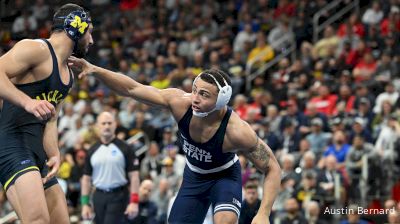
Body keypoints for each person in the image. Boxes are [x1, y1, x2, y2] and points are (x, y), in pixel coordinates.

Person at [68, 57, 282, 224]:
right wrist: (96, 70)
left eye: (205, 95)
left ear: (221, 100)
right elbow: (132, 89)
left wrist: (263, 213)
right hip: (194, 177)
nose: (195, 99)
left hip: (225, 177)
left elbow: (272, 167)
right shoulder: (181, 103)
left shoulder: (237, 131)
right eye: (195, 90)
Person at [0, 3, 93, 223]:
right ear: (76, 27)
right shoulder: (36, 49)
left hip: (37, 152)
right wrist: (27, 102)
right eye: (89, 32)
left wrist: (54, 153)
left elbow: (51, 120)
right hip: (12, 145)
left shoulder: (68, 76)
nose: (91, 40)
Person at [81, 111, 140, 224]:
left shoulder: (125, 148)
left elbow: (134, 176)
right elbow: (86, 179)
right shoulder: (92, 150)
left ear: (115, 125)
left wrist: (134, 202)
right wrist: (85, 204)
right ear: (98, 126)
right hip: (98, 196)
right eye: (103, 123)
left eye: (109, 123)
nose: (107, 126)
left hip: (118, 196)